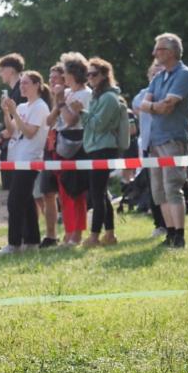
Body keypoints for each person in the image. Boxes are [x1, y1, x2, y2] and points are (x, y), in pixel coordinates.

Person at [139, 33, 188, 249]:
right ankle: (170, 234)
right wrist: (154, 106)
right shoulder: (158, 77)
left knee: (172, 187)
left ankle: (180, 236)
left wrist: (152, 106)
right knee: (158, 191)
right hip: (154, 141)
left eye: (159, 49)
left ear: (171, 52)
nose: (154, 53)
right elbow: (144, 104)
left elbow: (167, 106)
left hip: (173, 139)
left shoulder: (185, 75)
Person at [0, 71, 51, 254]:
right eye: (21, 84)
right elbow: (12, 131)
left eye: (26, 83)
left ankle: (14, 243)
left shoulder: (40, 106)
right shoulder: (21, 106)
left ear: (37, 85)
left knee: (15, 202)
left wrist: (14, 113)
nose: (22, 86)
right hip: (17, 158)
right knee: (27, 202)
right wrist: (7, 113)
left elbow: (29, 132)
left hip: (30, 159)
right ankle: (32, 241)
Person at [80, 58, 124, 247]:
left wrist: (81, 112)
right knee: (101, 193)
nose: (90, 78)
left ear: (105, 75)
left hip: (103, 148)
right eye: (88, 74)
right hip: (95, 147)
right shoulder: (99, 96)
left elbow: (98, 125)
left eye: (94, 74)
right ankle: (110, 234)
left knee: (97, 194)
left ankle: (94, 236)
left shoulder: (108, 98)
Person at [50, 53, 92, 246]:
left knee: (76, 191)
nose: (62, 77)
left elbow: (71, 120)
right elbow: (50, 121)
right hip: (61, 143)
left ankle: (77, 233)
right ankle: (68, 231)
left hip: (77, 144)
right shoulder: (66, 94)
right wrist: (57, 101)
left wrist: (61, 103)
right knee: (64, 192)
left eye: (65, 72)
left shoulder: (85, 94)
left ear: (73, 73)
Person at [132, 63, 167, 236]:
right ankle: (159, 224)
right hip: (148, 145)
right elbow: (138, 107)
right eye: (153, 73)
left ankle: (172, 224)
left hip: (168, 144)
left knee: (170, 185)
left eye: (160, 73)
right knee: (154, 187)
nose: (156, 76)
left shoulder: (173, 90)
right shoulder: (141, 95)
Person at [38, 65, 65, 247]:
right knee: (48, 193)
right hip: (49, 148)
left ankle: (70, 232)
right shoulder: (47, 99)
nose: (53, 80)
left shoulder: (68, 96)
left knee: (65, 192)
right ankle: (51, 235)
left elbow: (53, 120)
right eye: (51, 76)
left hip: (64, 148)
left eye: (56, 77)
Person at [0, 53, 27, 190]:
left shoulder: (21, 92)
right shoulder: (13, 92)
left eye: (1, 70)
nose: (0, 74)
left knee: (19, 196)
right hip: (13, 147)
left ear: (11, 70)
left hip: (21, 148)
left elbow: (20, 122)